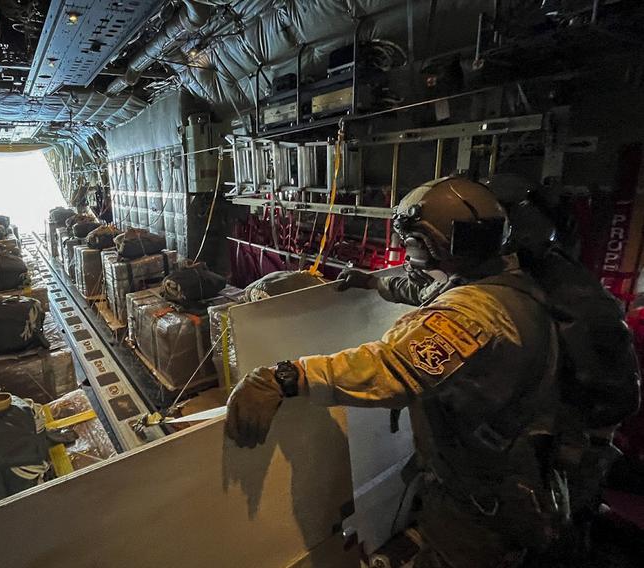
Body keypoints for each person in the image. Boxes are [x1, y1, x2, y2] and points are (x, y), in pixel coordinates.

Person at [225, 177, 588, 567]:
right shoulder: (504, 282)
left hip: (483, 503)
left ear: (436, 242)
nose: (410, 248)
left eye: (413, 238)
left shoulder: (473, 315)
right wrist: (374, 283)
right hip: (511, 470)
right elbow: (430, 293)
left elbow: (388, 367)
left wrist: (286, 376)